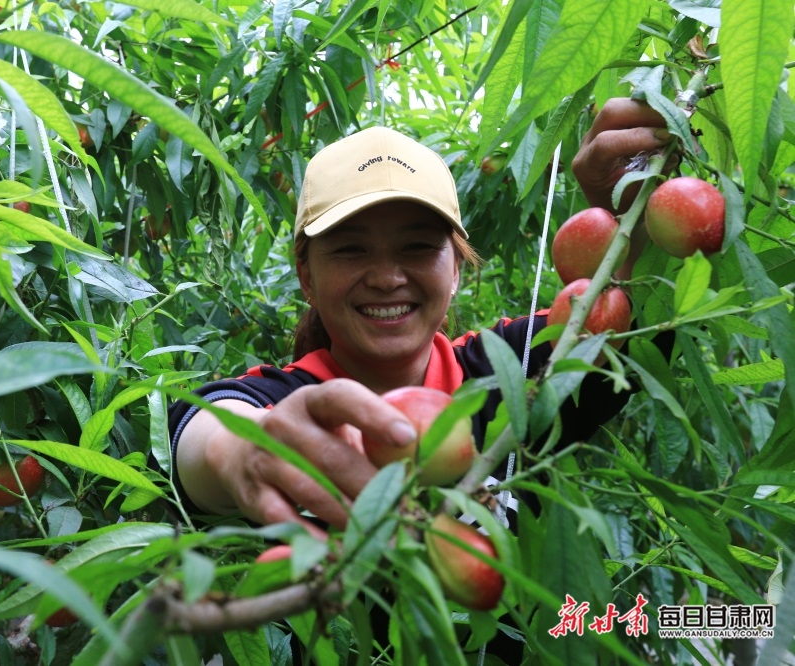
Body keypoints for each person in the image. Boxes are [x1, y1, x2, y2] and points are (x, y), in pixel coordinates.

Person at [166, 99, 673, 539]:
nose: (387, 278)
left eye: (417, 246)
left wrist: (631, 230)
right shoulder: (286, 402)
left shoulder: (515, 370)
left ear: (455, 270)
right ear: (307, 277)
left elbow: (638, 323)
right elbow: (206, 432)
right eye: (350, 250)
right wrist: (246, 452)